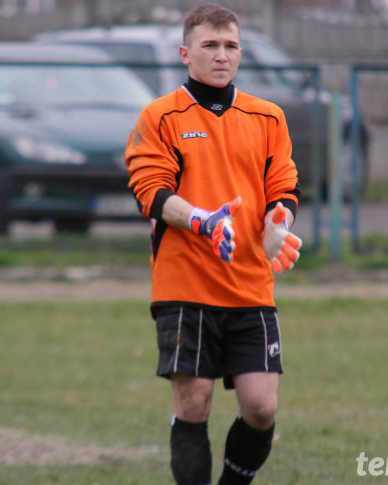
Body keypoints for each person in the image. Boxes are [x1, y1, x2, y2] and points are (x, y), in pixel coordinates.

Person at [124, 3, 302, 484]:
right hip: (185, 287)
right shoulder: (160, 117)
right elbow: (151, 192)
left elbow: (283, 185)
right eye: (210, 46)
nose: (221, 56)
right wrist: (200, 219)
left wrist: (277, 221)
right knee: (194, 402)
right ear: (186, 53)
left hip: (249, 287)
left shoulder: (267, 118)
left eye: (230, 46)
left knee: (262, 408)